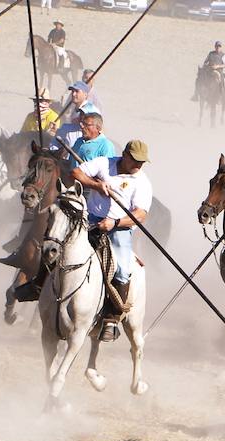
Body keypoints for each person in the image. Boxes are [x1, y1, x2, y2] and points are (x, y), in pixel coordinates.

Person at [68, 140, 152, 341]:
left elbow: (140, 214)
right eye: (135, 160)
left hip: (119, 229)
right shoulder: (104, 163)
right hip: (89, 221)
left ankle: (112, 318)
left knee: (122, 270)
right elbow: (76, 173)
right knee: (58, 247)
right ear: (124, 154)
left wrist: (114, 223)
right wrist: (96, 185)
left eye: (142, 162)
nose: (138, 165)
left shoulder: (142, 182)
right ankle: (39, 286)